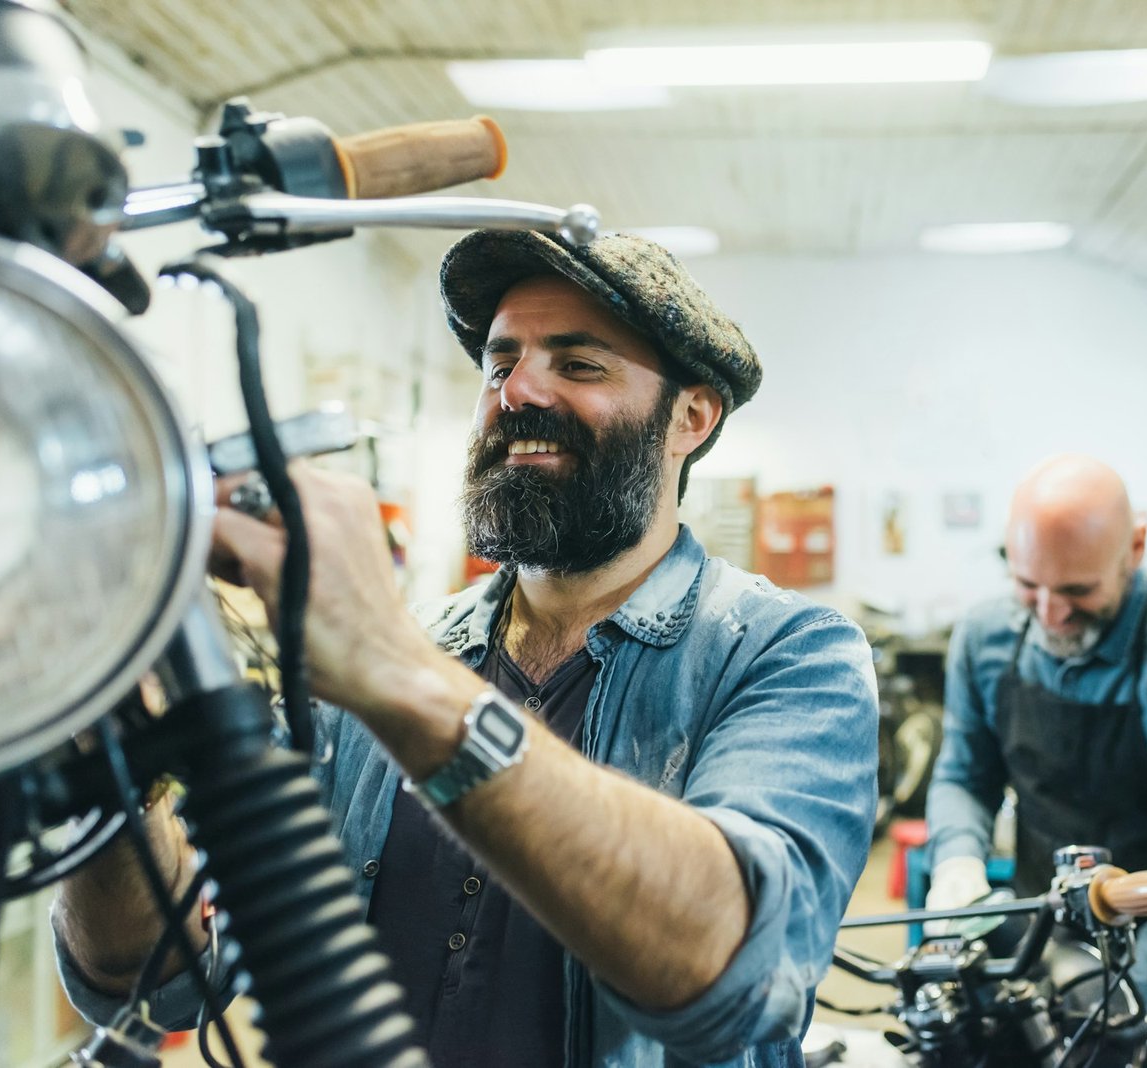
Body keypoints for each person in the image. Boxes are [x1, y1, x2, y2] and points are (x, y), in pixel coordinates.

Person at [52, 231, 880, 1067]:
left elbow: (737, 976)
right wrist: (110, 723)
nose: (516, 392)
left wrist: (397, 676)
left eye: (579, 365)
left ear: (690, 418)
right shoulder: (376, 663)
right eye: (499, 361)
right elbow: (158, 978)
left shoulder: (788, 655)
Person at [925, 454, 1147, 1067]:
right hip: (1052, 932)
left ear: (1135, 548)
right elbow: (964, 774)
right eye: (1028, 585)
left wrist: (1115, 997)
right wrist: (958, 858)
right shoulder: (985, 638)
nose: (1049, 614)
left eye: (1077, 591)